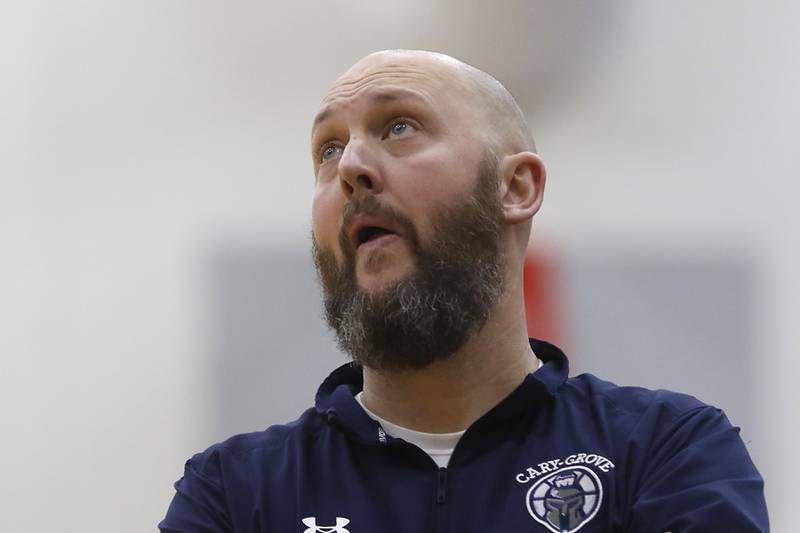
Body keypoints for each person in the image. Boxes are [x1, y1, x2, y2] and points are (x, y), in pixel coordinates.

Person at [159, 50, 768, 532]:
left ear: (516, 188)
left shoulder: (667, 452)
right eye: (329, 147)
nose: (350, 167)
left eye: (399, 126)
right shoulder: (234, 494)